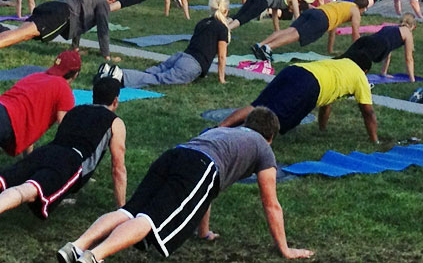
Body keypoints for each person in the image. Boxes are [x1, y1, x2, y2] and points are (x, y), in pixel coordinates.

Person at [57, 107, 314, 263]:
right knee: (150, 220)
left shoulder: (221, 132)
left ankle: (77, 246)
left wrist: (204, 232)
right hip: (200, 166)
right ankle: (96, 255)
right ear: (270, 137)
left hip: (174, 155)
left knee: (129, 210)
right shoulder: (262, 147)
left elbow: (206, 195)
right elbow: (271, 204)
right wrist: (285, 248)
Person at [0, 77, 126, 220]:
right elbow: (118, 168)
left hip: (45, 151)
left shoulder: (75, 111)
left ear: (93, 96)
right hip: (69, 161)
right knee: (24, 191)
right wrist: (122, 208)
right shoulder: (114, 121)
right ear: (115, 101)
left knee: (5, 180)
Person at [220, 53, 378, 142]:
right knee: (276, 117)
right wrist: (374, 140)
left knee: (258, 106)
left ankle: (220, 128)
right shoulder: (360, 77)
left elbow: (326, 105)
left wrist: (322, 129)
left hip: (293, 70)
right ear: (365, 70)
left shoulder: (340, 62)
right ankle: (253, 145)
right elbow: (368, 113)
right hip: (309, 84)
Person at [106, 0, 230, 88]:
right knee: (158, 79)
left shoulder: (202, 22)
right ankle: (121, 76)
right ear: (225, 11)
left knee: (153, 71)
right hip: (191, 65)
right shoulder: (222, 28)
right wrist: (221, 78)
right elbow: (222, 56)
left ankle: (110, 73)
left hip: (181, 56)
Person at [0, 0, 120, 61]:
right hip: (61, 13)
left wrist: (75, 49)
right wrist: (107, 56)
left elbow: (79, 20)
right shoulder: (103, 2)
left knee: (19, 32)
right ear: (112, 0)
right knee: (22, 34)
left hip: (52, 5)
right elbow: (103, 29)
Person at [0, 50, 79, 156]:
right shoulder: (64, 89)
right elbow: (65, 124)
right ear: (75, 74)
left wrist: (28, 160)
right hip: (7, 120)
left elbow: (28, 120)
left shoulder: (36, 76)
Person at [251, 0, 369, 60]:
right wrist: (357, 53)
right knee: (297, 35)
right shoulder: (356, 11)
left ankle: (260, 45)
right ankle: (268, 48)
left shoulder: (342, 4)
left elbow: (333, 31)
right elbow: (355, 33)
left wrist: (330, 50)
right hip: (322, 19)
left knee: (289, 30)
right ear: (363, 8)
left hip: (314, 12)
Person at [342, 13, 416, 79]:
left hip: (366, 39)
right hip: (378, 45)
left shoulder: (391, 28)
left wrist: (384, 73)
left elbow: (388, 52)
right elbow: (409, 58)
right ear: (413, 26)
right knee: (361, 64)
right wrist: (412, 79)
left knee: (346, 57)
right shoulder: (408, 34)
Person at [228, 0, 307, 32]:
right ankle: (228, 29)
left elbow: (274, 15)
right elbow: (297, 17)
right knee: (245, 17)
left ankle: (225, 25)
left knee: (239, 14)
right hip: (263, 0)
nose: (291, 11)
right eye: (293, 10)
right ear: (298, 5)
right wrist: (300, 31)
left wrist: (277, 31)